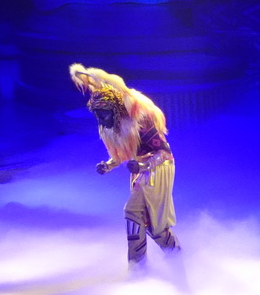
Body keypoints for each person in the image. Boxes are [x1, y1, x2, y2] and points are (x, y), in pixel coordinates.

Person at [69, 63, 180, 270]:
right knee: (138, 217)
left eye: (104, 113)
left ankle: (164, 258)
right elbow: (120, 155)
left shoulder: (140, 123)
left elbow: (163, 152)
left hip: (159, 169)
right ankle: (141, 265)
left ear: (116, 109)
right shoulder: (112, 128)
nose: (100, 119)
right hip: (140, 169)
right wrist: (108, 165)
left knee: (146, 219)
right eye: (97, 114)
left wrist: (144, 165)